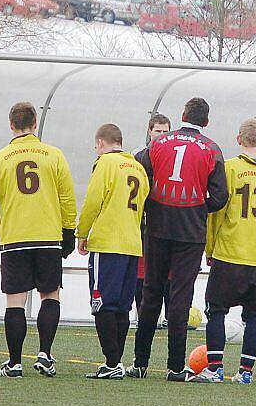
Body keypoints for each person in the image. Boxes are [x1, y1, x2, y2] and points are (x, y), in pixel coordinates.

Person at [128, 97, 228, 381]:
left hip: (157, 228)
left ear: (181, 115)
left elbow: (140, 179)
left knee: (151, 294)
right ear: (206, 122)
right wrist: (197, 207)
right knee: (180, 297)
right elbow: (220, 197)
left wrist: (152, 207)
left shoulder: (156, 144)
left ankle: (140, 363)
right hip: (191, 232)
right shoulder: (211, 148)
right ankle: (174, 367)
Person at [0, 102, 77, 378]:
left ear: (11, 125)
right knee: (50, 294)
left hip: (15, 238)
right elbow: (67, 198)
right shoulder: (53, 155)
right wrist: (68, 232)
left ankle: (14, 363)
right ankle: (45, 354)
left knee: (15, 300)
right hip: (48, 236)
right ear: (36, 123)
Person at [198, 119, 256, 384]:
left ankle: (215, 369)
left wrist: (210, 247)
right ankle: (246, 372)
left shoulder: (229, 168)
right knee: (254, 318)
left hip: (228, 253)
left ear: (238, 139)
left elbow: (217, 213)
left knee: (216, 310)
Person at [78, 124, 149, 380]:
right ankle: (116, 361)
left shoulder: (104, 164)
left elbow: (93, 201)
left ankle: (111, 363)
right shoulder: (138, 168)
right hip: (132, 245)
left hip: (108, 243)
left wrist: (81, 233)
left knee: (102, 304)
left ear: (100, 143)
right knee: (121, 306)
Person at [134, 114, 171, 327]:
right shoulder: (139, 157)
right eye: (158, 131)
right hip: (144, 223)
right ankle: (143, 315)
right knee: (143, 271)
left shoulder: (173, 157)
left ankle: (168, 316)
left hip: (167, 221)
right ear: (150, 131)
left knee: (167, 272)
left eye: (166, 131)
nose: (162, 135)